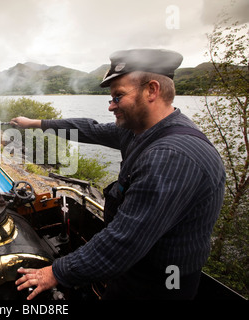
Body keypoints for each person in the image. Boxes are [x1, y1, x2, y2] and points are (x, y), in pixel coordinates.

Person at [12, 49, 225, 300]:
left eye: (118, 96)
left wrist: (56, 272)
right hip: (134, 268)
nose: (111, 105)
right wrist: (35, 123)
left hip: (159, 284)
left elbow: (125, 241)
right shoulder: (139, 130)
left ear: (152, 90)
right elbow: (87, 129)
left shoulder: (172, 156)